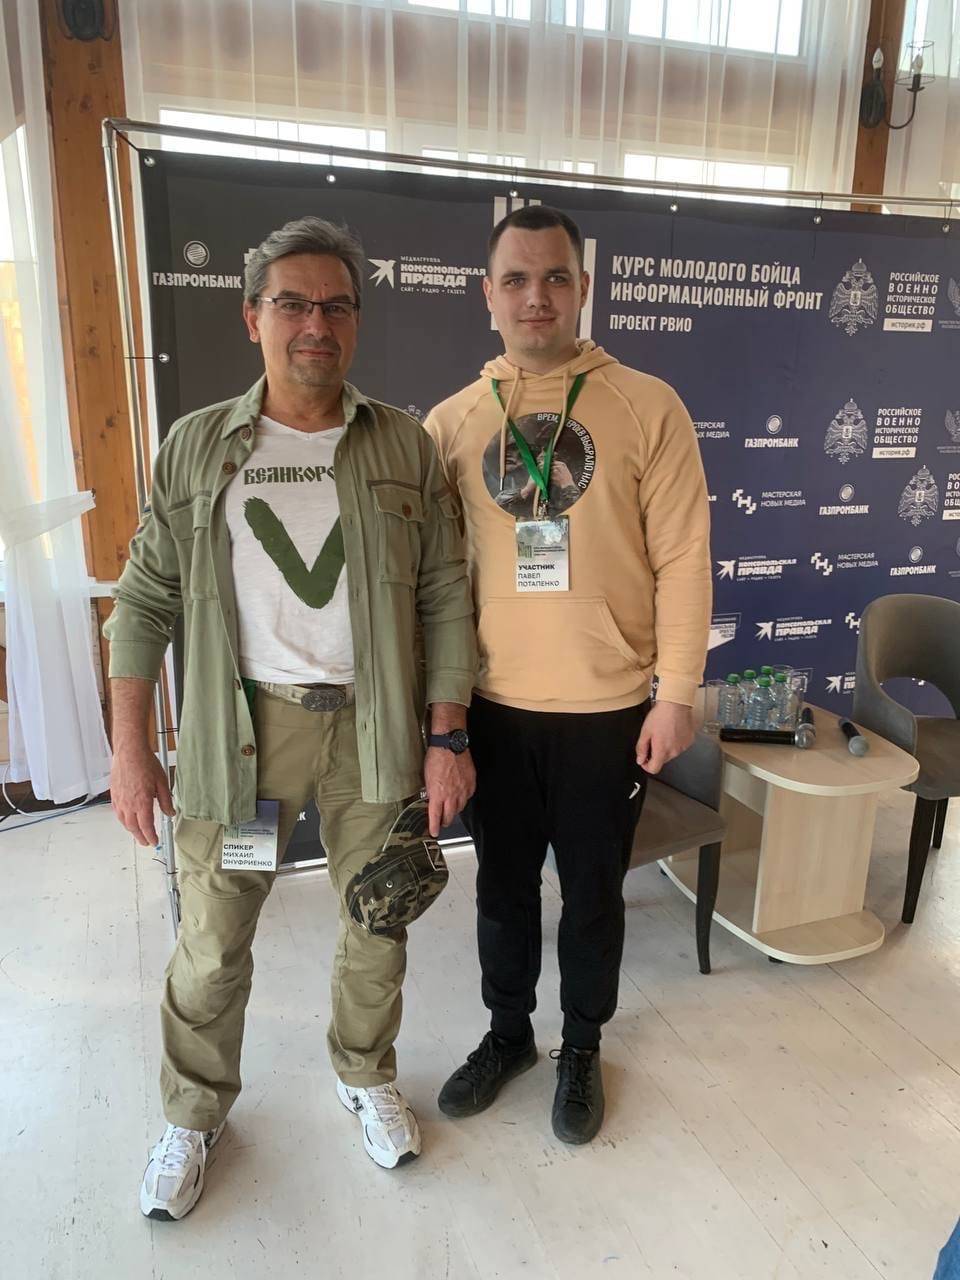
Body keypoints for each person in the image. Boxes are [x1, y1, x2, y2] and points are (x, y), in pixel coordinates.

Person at [106, 216, 477, 1220]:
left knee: (379, 920)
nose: (317, 323)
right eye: (293, 303)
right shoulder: (197, 446)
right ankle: (194, 1112)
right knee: (214, 935)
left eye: (337, 305)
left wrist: (448, 734)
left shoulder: (400, 444)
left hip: (375, 736)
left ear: (356, 321)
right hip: (244, 739)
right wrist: (131, 750)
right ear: (252, 317)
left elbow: (445, 594)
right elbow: (142, 601)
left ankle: (365, 1071)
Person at [424, 205, 711, 1145]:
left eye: (555, 277)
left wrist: (676, 692)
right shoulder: (452, 423)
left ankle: (581, 1045)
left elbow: (684, 559)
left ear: (584, 287)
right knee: (502, 891)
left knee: (592, 896)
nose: (536, 297)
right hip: (496, 708)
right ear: (488, 295)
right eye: (516, 279)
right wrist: (444, 723)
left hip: (608, 709)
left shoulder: (647, 406)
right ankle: (509, 1035)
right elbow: (437, 583)